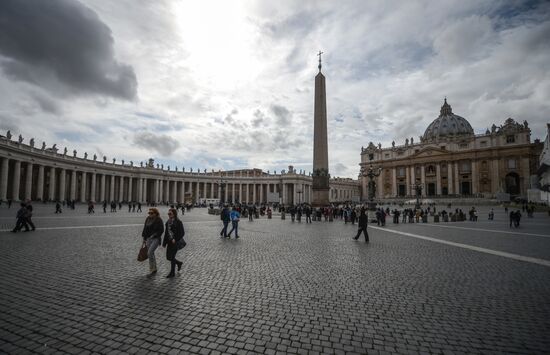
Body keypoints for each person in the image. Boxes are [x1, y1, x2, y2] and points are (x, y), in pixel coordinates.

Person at [163, 208, 185, 278]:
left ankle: (172, 273)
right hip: (169, 242)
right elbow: (166, 233)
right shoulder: (168, 222)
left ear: (174, 214)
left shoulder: (178, 222)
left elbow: (182, 233)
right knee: (168, 257)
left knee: (172, 257)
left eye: (170, 214)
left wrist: (175, 239)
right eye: (168, 214)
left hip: (175, 242)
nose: (169, 215)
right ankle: (179, 263)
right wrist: (164, 243)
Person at [141, 208, 164, 274]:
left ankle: (152, 267)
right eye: (149, 213)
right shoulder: (147, 219)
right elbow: (145, 228)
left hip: (156, 239)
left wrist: (155, 235)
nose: (150, 214)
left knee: (149, 253)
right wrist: (144, 238)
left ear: (155, 213)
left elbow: (161, 230)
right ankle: (154, 268)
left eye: (151, 213)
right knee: (151, 253)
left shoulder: (159, 220)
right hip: (148, 238)